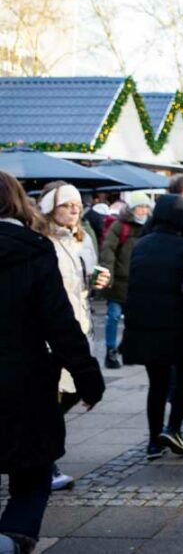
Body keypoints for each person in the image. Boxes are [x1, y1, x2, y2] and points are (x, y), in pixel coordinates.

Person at [0, 172, 105, 553]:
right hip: (21, 381)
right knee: (31, 477)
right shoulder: (33, 249)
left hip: (21, 379)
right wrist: (88, 378)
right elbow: (59, 324)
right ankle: (10, 541)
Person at [38, 182, 108, 492]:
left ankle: (41, 457)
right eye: (67, 205)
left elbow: (85, 283)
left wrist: (98, 280)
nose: (75, 209)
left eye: (78, 204)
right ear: (49, 208)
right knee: (49, 402)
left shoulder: (83, 240)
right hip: (53, 332)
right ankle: (45, 464)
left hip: (81, 327)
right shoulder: (42, 241)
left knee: (72, 393)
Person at [122, 194, 183, 462]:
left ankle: (154, 441)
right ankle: (174, 428)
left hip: (145, 326)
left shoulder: (141, 245)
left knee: (157, 384)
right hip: (180, 326)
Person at [99, 191, 152, 369]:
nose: (144, 210)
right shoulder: (119, 226)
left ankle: (127, 348)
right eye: (140, 207)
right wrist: (108, 276)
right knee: (113, 316)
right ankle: (110, 351)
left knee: (134, 318)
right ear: (132, 209)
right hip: (119, 280)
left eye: (146, 207)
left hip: (138, 281)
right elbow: (108, 251)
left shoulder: (149, 227)